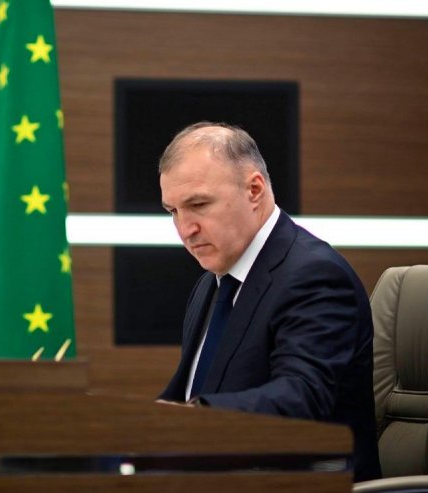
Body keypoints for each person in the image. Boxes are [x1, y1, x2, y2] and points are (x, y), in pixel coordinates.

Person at [157, 122, 381, 482]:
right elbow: (185, 396)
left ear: (254, 190)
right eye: (173, 211)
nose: (185, 229)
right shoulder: (210, 284)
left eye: (198, 205)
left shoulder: (315, 276)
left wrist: (195, 417)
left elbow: (302, 398)